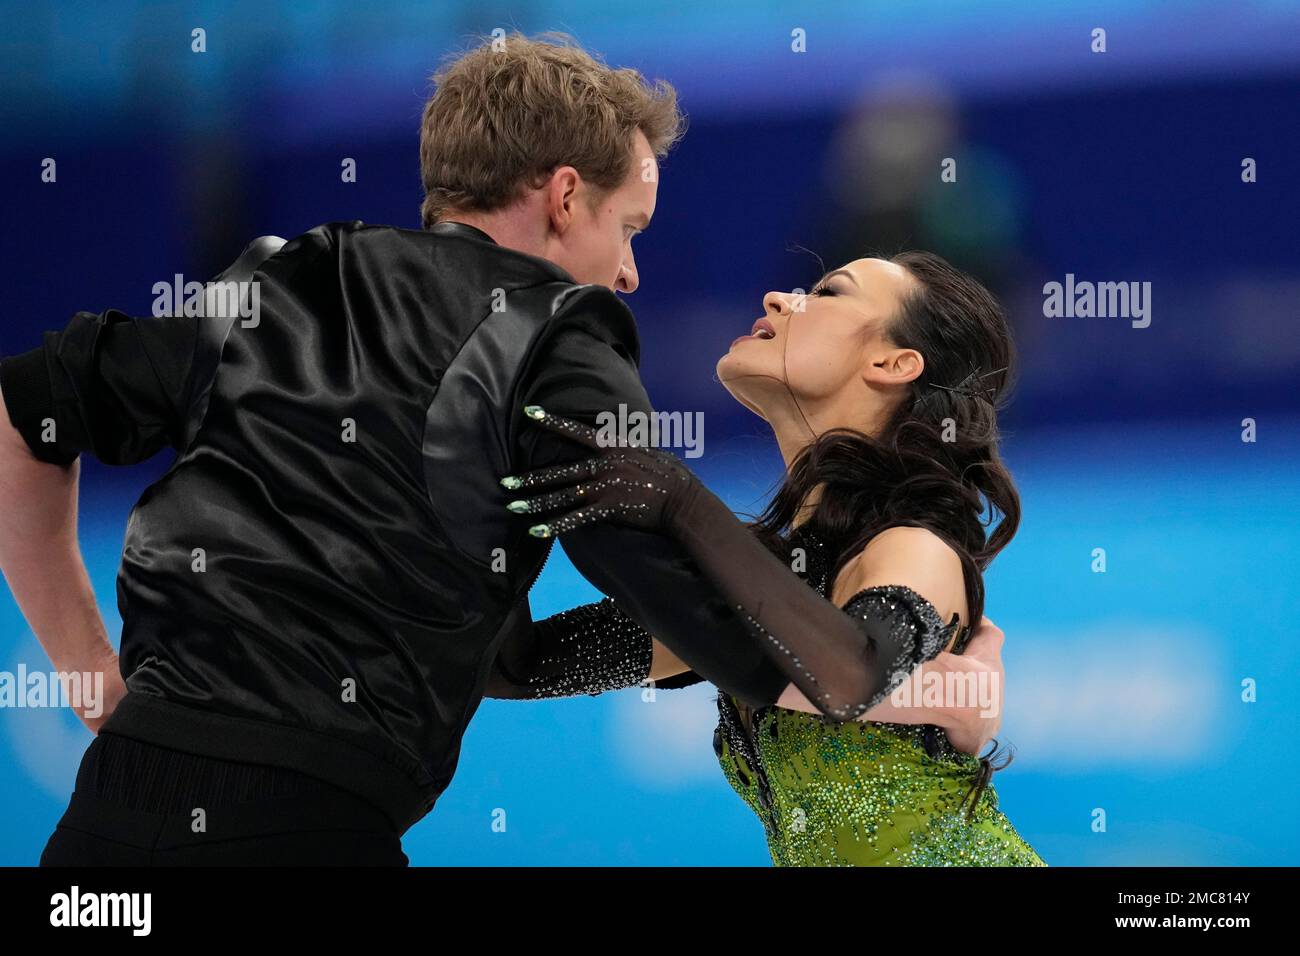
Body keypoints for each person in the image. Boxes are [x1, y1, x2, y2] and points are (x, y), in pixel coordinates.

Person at [0, 32, 999, 866]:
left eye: (829, 292)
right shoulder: (559, 337)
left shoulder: (280, 274)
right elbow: (571, 660)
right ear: (565, 198)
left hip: (108, 820)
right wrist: (923, 687)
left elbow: (22, 411)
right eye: (628, 226)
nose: (631, 272)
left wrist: (91, 671)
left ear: (897, 364)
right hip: (306, 824)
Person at [491, 251, 1046, 866]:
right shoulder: (766, 579)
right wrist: (491, 469)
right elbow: (516, 666)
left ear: (893, 363)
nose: (779, 299)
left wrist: (681, 501)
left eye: (830, 292)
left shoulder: (914, 545)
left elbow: (847, 677)